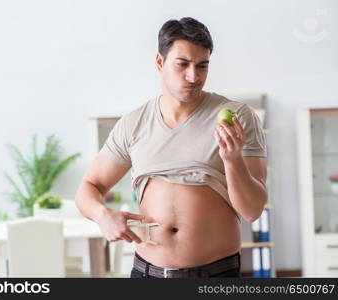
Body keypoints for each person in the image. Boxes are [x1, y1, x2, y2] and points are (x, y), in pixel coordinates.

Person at [75, 17, 267, 278]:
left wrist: (232, 159)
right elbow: (88, 188)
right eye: (183, 64)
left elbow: (253, 210)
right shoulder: (133, 123)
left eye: (202, 66)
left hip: (215, 274)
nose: (193, 76)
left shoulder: (236, 117)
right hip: (147, 274)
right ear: (160, 62)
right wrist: (102, 215)